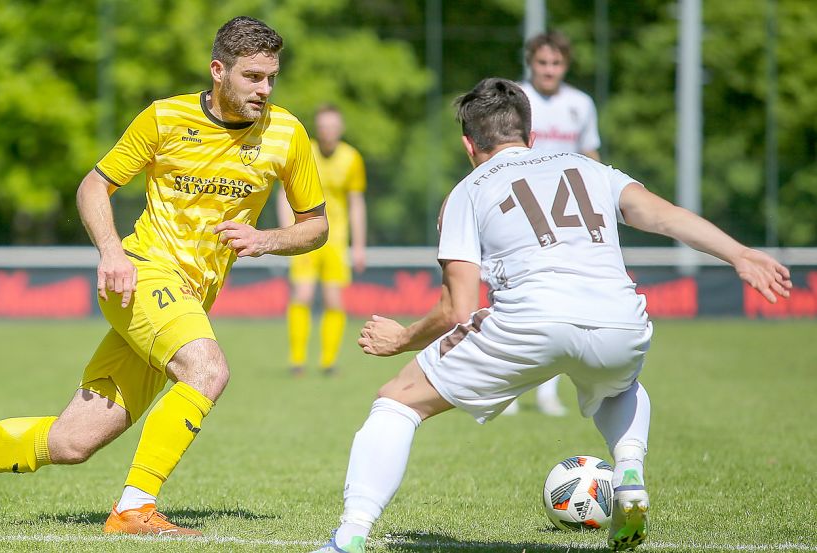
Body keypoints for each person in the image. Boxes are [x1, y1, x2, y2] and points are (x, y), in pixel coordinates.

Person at [0, 16, 328, 536]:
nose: (264, 90)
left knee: (72, 442)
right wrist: (111, 252)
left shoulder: (287, 134)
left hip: (189, 300)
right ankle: (134, 510)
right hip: (142, 276)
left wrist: (267, 238)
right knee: (208, 371)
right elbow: (93, 185)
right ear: (218, 70)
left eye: (271, 77)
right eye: (252, 77)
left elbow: (316, 227)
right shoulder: (163, 118)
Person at [312, 78, 790, 553]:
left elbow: (456, 309)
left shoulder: (467, 191)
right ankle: (629, 470)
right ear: (531, 135)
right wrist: (739, 253)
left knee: (398, 402)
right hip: (620, 320)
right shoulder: (590, 168)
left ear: (467, 144)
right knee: (618, 385)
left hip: (530, 320)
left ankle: (350, 537)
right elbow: (664, 215)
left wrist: (403, 338)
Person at [515, 30, 602, 416]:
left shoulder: (581, 104)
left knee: (558, 303)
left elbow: (590, 155)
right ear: (530, 63)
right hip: (517, 212)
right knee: (513, 298)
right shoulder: (515, 99)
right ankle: (510, 391)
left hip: (565, 217)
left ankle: (547, 392)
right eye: (542, 62)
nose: (549, 70)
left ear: (565, 66)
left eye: (556, 63)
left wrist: (600, 201)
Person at [276, 104, 367, 376]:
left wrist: (359, 245)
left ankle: (328, 362)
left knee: (333, 301)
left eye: (333, 126)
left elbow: (356, 203)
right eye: (324, 126)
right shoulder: (306, 152)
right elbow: (284, 194)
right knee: (302, 295)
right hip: (304, 234)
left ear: (340, 128)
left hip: (336, 241)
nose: (328, 131)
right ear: (318, 128)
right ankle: (297, 361)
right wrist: (286, 233)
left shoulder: (352, 158)